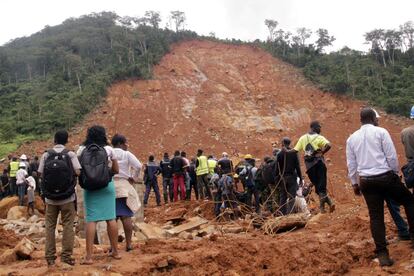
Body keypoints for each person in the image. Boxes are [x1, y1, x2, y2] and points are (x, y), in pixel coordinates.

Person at [346, 107, 414, 266]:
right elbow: (391, 156)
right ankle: (412, 237)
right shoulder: (381, 132)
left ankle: (383, 254)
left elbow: (351, 164)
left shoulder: (351, 139)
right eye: (377, 118)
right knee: (409, 200)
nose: (378, 120)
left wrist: (355, 184)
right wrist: (396, 174)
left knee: (376, 217)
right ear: (372, 119)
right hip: (385, 177)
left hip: (366, 182)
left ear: (361, 120)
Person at [77, 125, 120, 264]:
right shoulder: (108, 149)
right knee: (110, 218)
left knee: (92, 220)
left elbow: (78, 170)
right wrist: (107, 173)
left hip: (90, 188)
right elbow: (116, 170)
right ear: (103, 135)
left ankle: (89, 257)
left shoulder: (82, 150)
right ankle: (115, 252)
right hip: (107, 186)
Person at [38, 130, 81, 267]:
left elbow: (40, 173)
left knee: (50, 226)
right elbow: (78, 171)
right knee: (68, 224)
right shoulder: (70, 154)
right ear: (66, 141)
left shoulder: (46, 155)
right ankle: (66, 256)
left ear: (54, 140)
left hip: (50, 199)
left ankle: (50, 258)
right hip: (67, 197)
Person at [294, 120, 335, 213]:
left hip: (310, 167)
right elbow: (329, 145)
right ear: (314, 127)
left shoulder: (303, 138)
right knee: (321, 186)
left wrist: (286, 151)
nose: (320, 129)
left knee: (318, 186)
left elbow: (295, 150)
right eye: (319, 127)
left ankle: (325, 207)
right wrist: (322, 152)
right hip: (319, 163)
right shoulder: (319, 137)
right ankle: (326, 204)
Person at [111, 134, 142, 252]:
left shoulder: (109, 153)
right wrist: (133, 177)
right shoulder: (126, 154)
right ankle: (128, 245)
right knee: (126, 216)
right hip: (124, 186)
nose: (126, 145)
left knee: (111, 219)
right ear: (120, 143)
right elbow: (138, 166)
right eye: (125, 143)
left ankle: (113, 247)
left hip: (110, 187)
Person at [276, 137, 303, 215]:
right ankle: (289, 214)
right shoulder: (294, 153)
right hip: (292, 177)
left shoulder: (279, 154)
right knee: (292, 197)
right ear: (289, 143)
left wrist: (277, 179)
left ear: (283, 143)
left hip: (283, 178)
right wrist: (300, 178)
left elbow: (277, 169)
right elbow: (297, 166)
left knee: (283, 197)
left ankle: (281, 214)